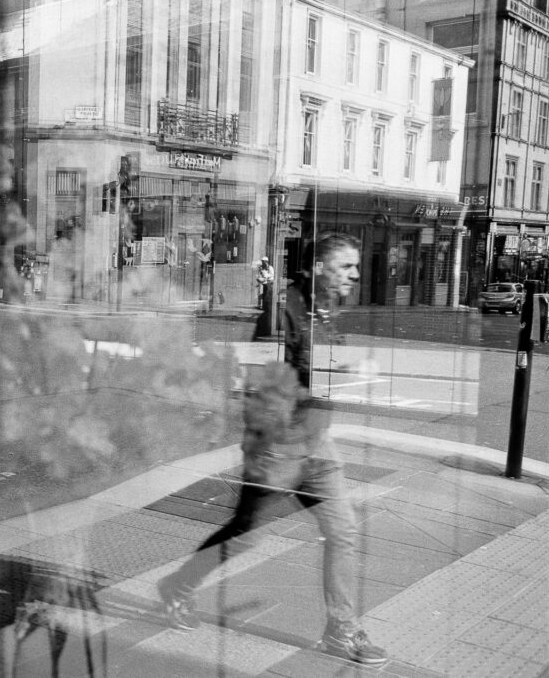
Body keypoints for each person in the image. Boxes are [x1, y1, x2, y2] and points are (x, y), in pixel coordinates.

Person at [157, 233, 388, 667]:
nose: (355, 275)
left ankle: (341, 629)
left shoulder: (326, 308)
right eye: (346, 267)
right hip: (279, 448)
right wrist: (342, 373)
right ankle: (178, 586)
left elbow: (324, 369)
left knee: (343, 531)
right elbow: (262, 383)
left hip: (317, 445)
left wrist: (345, 372)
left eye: (356, 266)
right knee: (245, 536)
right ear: (318, 266)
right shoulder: (282, 312)